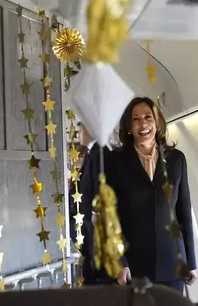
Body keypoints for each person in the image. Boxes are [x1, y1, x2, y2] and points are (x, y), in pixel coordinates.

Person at [106, 97, 197, 292]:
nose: (143, 123)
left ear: (157, 123)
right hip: (134, 263)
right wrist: (120, 261)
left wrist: (191, 262)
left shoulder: (176, 159)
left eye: (148, 117)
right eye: (136, 119)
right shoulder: (115, 161)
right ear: (129, 127)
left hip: (173, 261)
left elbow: (184, 214)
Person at [69, 119, 111, 284]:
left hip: (94, 225)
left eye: (80, 131)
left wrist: (95, 214)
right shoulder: (91, 153)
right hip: (86, 224)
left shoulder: (100, 153)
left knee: (95, 274)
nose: (78, 135)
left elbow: (101, 187)